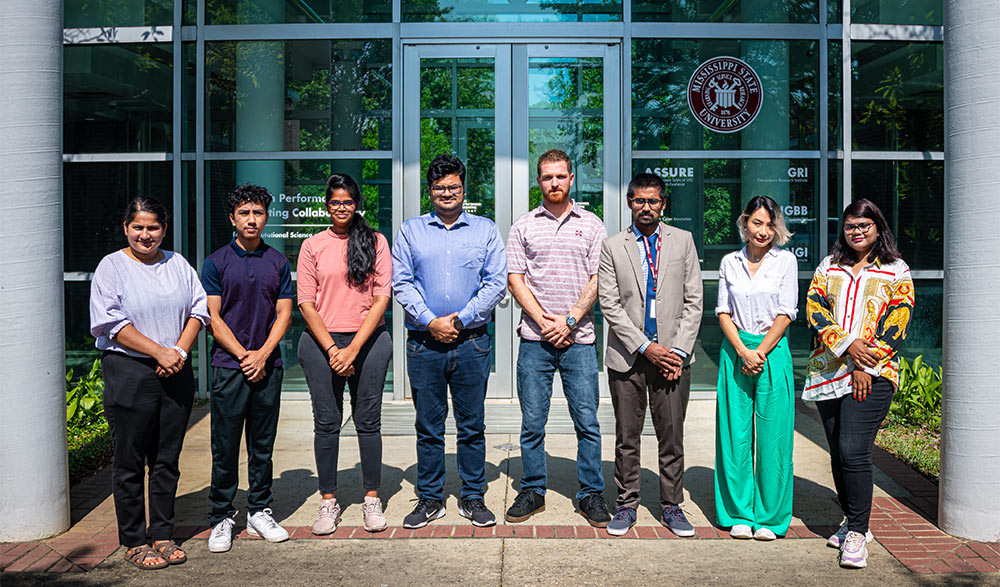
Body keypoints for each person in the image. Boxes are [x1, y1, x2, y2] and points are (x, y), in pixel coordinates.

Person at [90, 197, 210, 570]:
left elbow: (199, 309)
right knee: (129, 460)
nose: (146, 235)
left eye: (153, 227)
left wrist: (177, 352)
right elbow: (110, 321)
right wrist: (159, 352)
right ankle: (134, 540)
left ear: (164, 229)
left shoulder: (178, 264)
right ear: (126, 228)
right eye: (138, 227)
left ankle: (162, 533)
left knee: (166, 460)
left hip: (176, 369)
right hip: (130, 370)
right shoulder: (111, 267)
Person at [392, 153, 507, 529]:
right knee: (428, 426)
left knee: (472, 425)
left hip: (471, 342)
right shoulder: (410, 230)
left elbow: (496, 282)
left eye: (453, 187)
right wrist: (430, 320)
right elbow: (401, 282)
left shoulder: (485, 229)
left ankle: (473, 497)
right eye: (439, 188)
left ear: (463, 189)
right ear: (430, 191)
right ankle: (430, 499)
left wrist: (458, 320)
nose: (446, 193)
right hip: (423, 344)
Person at [803, 198, 914, 569]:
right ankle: (855, 520)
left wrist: (865, 363)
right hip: (828, 369)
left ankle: (856, 533)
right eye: (850, 226)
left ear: (878, 228)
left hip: (875, 372)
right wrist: (848, 344)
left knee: (854, 449)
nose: (857, 232)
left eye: (864, 226)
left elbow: (897, 322)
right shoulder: (829, 266)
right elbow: (814, 307)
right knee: (837, 450)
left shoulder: (896, 270)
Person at [504, 149, 610, 528]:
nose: (554, 183)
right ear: (538, 181)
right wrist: (544, 321)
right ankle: (533, 489)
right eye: (547, 177)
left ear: (571, 179)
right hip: (535, 340)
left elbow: (599, 278)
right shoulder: (524, 226)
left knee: (587, 421)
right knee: (533, 422)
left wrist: (569, 320)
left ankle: (590, 493)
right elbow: (515, 277)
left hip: (579, 340)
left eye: (560, 176)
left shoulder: (593, 225)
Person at [597, 173, 703, 537]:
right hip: (628, 355)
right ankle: (626, 504)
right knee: (627, 436)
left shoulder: (683, 241)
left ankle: (672, 505)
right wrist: (645, 346)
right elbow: (609, 304)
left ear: (663, 204)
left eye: (653, 201)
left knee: (670, 435)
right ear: (629, 202)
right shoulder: (613, 245)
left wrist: (676, 351)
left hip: (673, 358)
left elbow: (694, 301)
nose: (646, 207)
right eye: (639, 201)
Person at [297, 173, 393, 535]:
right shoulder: (313, 245)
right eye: (335, 201)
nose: (341, 207)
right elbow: (306, 302)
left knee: (368, 422)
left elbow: (382, 298)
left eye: (348, 202)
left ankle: (371, 498)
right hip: (322, 344)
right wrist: (334, 349)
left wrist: (352, 349)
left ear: (357, 205)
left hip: (368, 342)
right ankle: (328, 500)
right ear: (326, 205)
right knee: (326, 422)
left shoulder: (376, 242)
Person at [202, 184, 293, 552]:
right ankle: (222, 516)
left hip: (267, 367)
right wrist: (244, 355)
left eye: (257, 213)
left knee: (262, 445)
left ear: (266, 217)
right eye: (244, 213)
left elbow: (285, 313)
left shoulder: (278, 262)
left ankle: (259, 510)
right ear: (232, 218)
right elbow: (212, 316)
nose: (251, 220)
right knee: (224, 446)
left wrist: (262, 354)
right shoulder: (216, 261)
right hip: (228, 366)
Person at [714, 196, 798, 541]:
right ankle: (737, 513)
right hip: (735, 351)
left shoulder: (785, 262)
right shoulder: (729, 262)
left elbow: (786, 312)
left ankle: (770, 517)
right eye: (757, 223)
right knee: (734, 436)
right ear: (745, 222)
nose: (763, 231)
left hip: (772, 350)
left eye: (770, 224)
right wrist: (742, 351)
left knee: (774, 437)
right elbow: (722, 311)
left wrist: (759, 352)